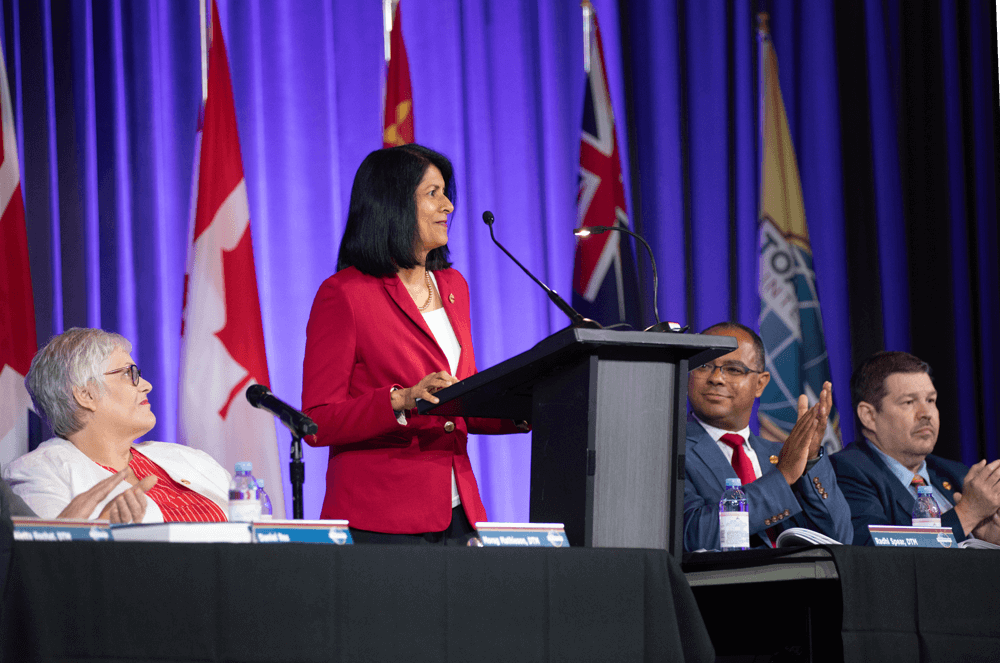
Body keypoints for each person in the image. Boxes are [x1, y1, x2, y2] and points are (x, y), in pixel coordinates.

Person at [302, 144, 524, 545]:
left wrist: (535, 406)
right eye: (433, 193)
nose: (449, 206)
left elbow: (462, 400)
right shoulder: (345, 294)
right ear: (394, 204)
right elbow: (316, 422)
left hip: (460, 514)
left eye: (446, 193)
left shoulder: (454, 287)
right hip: (381, 519)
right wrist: (400, 400)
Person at [3, 328, 231, 523]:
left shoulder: (191, 459)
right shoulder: (40, 472)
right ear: (86, 395)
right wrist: (98, 531)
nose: (146, 385)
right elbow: (45, 562)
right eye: (128, 373)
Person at [683, 322, 853, 550]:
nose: (716, 378)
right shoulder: (671, 447)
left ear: (760, 384)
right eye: (703, 366)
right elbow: (692, 535)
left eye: (733, 369)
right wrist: (782, 477)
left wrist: (811, 460)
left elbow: (839, 537)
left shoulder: (781, 454)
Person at [830, 351, 1000, 545]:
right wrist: (969, 513)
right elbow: (875, 555)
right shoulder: (846, 471)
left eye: (930, 400)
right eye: (909, 402)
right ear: (869, 415)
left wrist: (991, 540)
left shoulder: (956, 473)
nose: (926, 413)